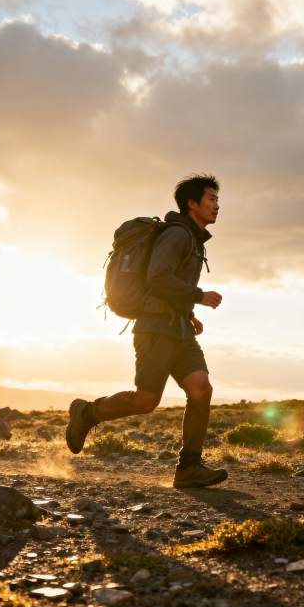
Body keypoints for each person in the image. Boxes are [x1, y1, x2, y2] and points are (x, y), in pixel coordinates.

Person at [66, 173, 227, 489]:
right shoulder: (178, 235)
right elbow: (158, 278)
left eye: (218, 200)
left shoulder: (193, 240)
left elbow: (170, 285)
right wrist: (198, 296)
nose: (217, 206)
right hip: (156, 330)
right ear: (191, 204)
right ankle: (86, 413)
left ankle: (189, 468)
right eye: (211, 199)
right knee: (145, 401)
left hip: (179, 329)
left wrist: (188, 312)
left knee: (201, 389)